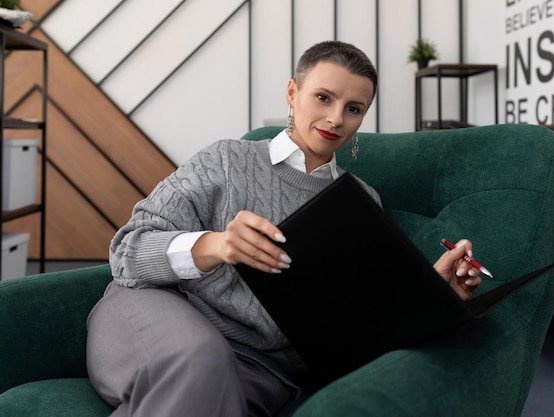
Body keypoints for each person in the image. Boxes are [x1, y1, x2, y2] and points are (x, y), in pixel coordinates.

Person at [85, 40, 482, 417]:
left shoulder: (363, 203)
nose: (336, 119)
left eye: (354, 108)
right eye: (323, 98)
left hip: (260, 366)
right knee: (201, 357)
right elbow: (127, 252)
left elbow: (358, 326)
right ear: (293, 93)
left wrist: (433, 295)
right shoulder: (226, 159)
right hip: (159, 311)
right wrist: (217, 245)